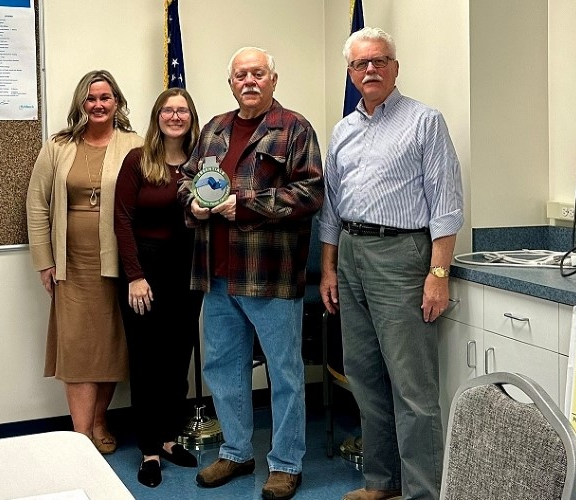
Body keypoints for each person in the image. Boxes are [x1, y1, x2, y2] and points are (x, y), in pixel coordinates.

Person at [319, 27, 464, 500]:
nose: (371, 70)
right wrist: (328, 269)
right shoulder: (343, 130)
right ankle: (381, 482)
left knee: (412, 387)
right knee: (363, 376)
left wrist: (438, 273)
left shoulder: (425, 121)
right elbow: (330, 209)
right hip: (351, 255)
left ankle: (423, 492)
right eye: (361, 64)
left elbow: (446, 204)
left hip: (402, 256)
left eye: (379, 61)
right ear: (351, 73)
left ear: (395, 67)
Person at [177, 46, 324, 500]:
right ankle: (237, 453)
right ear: (231, 83)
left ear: (273, 79)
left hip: (271, 275)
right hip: (217, 276)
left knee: (283, 372)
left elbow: (310, 193)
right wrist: (195, 205)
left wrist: (244, 205)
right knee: (223, 368)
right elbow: (186, 179)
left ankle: (285, 463)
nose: (249, 81)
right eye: (241, 74)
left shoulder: (294, 128)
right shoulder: (215, 129)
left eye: (258, 73)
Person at [26, 69, 144, 455]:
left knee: (110, 345)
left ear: (117, 103)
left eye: (105, 98)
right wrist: (45, 261)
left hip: (118, 261)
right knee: (77, 346)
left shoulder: (135, 144)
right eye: (91, 98)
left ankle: (98, 421)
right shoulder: (58, 145)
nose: (98, 105)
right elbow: (36, 204)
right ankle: (80, 436)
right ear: (81, 103)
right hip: (70, 263)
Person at [113, 87, 203, 488]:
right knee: (147, 360)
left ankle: (168, 438)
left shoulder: (203, 164)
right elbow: (122, 221)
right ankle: (148, 450)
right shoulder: (138, 161)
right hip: (144, 270)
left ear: (191, 118)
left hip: (188, 270)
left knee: (177, 354)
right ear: (157, 117)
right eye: (168, 110)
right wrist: (134, 275)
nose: (175, 116)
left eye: (182, 110)